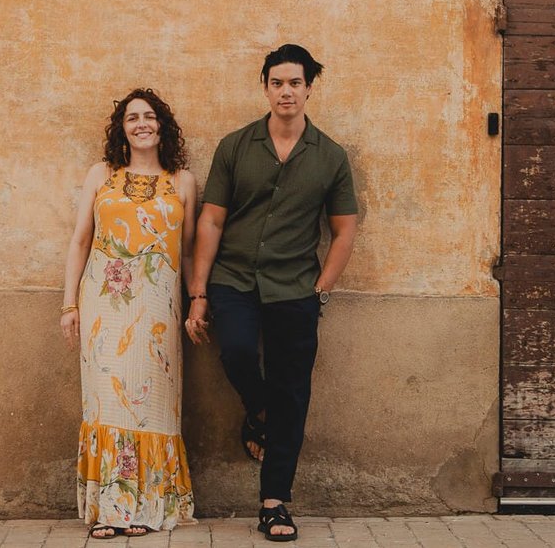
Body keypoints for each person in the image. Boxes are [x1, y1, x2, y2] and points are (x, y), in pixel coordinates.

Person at [185, 44, 359, 543]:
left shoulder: (330, 157)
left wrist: (321, 290)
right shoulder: (235, 146)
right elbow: (212, 219)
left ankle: (274, 503)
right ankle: (260, 411)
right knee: (238, 352)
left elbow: (344, 231)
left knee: (294, 392)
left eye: (295, 83)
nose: (286, 91)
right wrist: (199, 291)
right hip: (233, 280)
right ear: (265, 87)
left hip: (294, 289)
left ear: (309, 89)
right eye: (277, 82)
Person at [61, 89, 197, 538]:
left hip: (160, 306)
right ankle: (111, 509)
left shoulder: (182, 182)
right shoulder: (102, 174)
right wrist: (70, 304)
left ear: (163, 126)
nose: (142, 123)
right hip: (104, 304)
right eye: (132, 117)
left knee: (151, 404)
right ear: (122, 129)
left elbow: (191, 250)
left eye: (150, 116)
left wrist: (198, 299)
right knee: (107, 399)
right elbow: (82, 239)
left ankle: (146, 507)